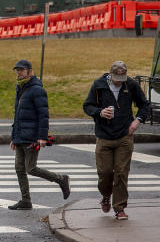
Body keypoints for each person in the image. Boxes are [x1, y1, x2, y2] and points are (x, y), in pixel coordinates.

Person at [82, 60, 151, 220]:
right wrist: (99, 112)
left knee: (121, 173)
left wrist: (137, 120)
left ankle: (120, 208)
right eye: (116, 79)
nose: (120, 83)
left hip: (124, 136)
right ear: (110, 76)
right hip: (104, 136)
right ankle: (106, 195)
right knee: (105, 173)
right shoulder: (99, 85)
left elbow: (144, 105)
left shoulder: (131, 85)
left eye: (122, 79)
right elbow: (87, 106)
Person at [8, 59, 70, 210]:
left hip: (31, 137)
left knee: (31, 168)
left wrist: (42, 137)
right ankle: (26, 200)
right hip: (20, 136)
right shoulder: (20, 88)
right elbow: (17, 115)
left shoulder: (37, 90)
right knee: (19, 169)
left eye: (21, 70)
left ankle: (61, 179)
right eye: (17, 70)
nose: (19, 73)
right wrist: (13, 137)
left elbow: (43, 115)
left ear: (30, 71)